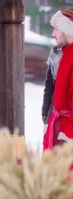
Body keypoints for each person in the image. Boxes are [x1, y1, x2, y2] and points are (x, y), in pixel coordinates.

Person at [43, 8, 73, 150]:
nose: (53, 33)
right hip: (59, 127)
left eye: (56, 28)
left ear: (66, 28)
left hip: (66, 135)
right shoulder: (65, 53)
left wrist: (68, 134)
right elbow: (50, 87)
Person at [42, 46, 63, 126]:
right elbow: (49, 86)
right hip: (55, 111)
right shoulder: (55, 53)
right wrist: (45, 109)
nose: (54, 34)